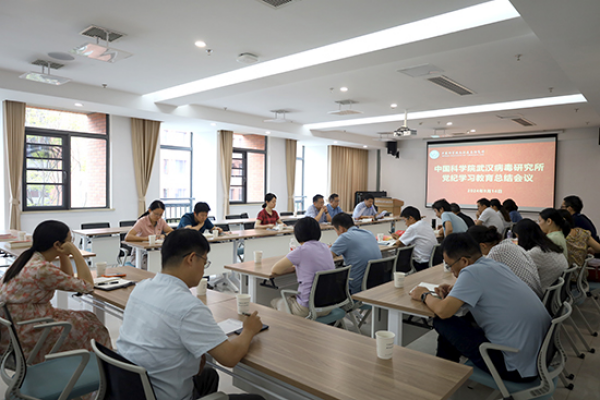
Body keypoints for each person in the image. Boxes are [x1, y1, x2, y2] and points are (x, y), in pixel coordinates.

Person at [117, 229, 265, 400]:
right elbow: (230, 357)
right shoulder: (188, 306)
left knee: (208, 375)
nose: (204, 269)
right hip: (163, 395)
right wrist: (249, 330)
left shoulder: (141, 287)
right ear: (192, 259)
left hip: (132, 389)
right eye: (204, 262)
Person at [410, 233, 550, 383]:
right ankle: (447, 372)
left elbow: (443, 311)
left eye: (450, 265)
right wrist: (457, 291)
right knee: (458, 321)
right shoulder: (495, 265)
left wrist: (424, 295)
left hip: (515, 367)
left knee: (443, 321)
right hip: (538, 357)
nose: (451, 271)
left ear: (464, 261)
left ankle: (445, 376)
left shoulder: (471, 272)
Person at [0, 220, 111, 364]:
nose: (71, 245)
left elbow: (66, 277)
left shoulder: (27, 258)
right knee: (95, 327)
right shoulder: (42, 269)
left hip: (18, 324)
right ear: (57, 244)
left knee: (89, 316)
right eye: (70, 241)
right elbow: (87, 286)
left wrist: (63, 254)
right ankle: (105, 367)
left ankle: (93, 363)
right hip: (29, 331)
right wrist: (75, 252)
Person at [270, 218, 335, 317]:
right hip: (328, 306)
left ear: (298, 234)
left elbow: (275, 270)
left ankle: (291, 327)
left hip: (307, 310)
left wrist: (294, 267)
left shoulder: (301, 250)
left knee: (274, 302)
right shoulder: (326, 247)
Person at [467, 225, 543, 298]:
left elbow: (478, 281)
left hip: (524, 298)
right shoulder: (508, 244)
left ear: (483, 246)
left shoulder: (496, 252)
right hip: (534, 295)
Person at [330, 213, 382, 294]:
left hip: (357, 286)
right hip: (376, 283)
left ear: (340, 228)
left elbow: (328, 255)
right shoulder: (369, 233)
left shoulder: (345, 237)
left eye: (335, 230)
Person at [513, 219, 568, 293]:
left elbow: (520, 275)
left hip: (543, 293)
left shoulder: (536, 253)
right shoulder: (548, 245)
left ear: (524, 237)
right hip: (555, 292)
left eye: (518, 238)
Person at [390, 206, 437, 271]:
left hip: (421, 262)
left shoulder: (413, 227)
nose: (405, 224)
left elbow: (398, 243)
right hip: (432, 260)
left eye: (405, 220)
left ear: (411, 218)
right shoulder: (425, 224)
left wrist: (398, 238)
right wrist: (400, 238)